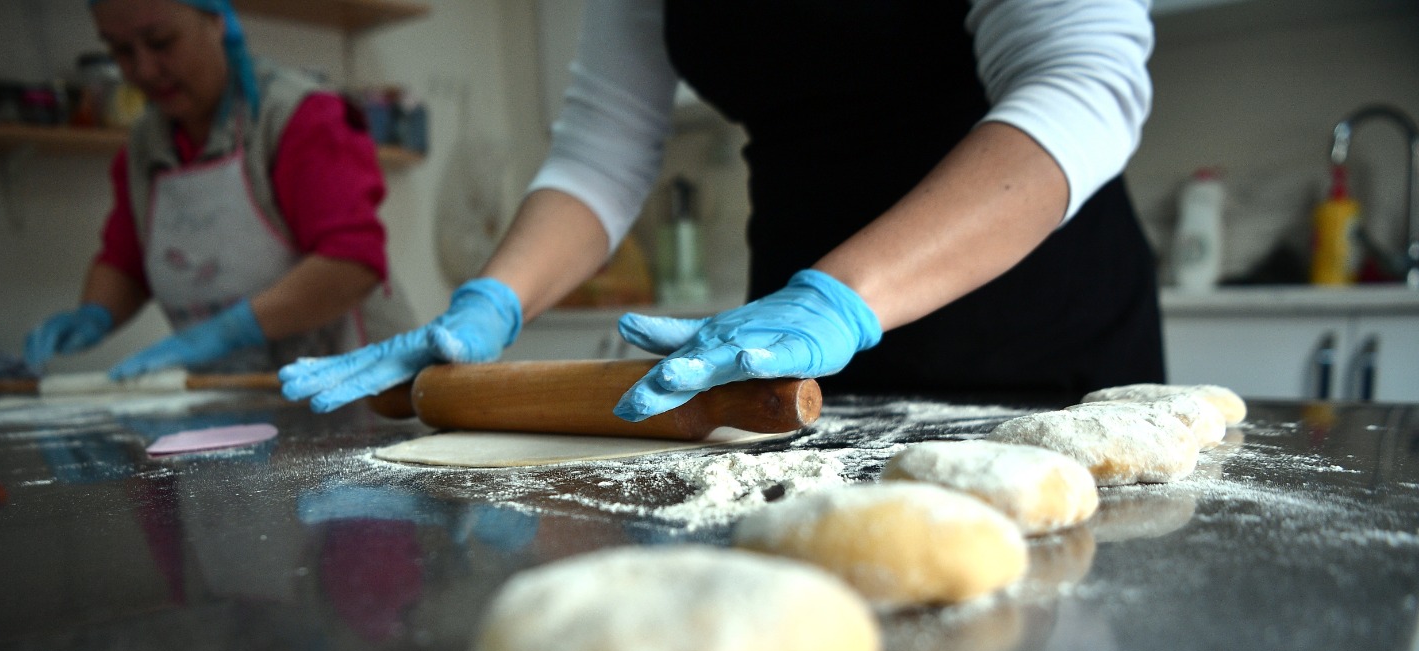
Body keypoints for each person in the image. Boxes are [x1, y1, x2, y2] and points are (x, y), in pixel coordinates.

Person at [281, 0, 1162, 418]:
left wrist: (840, 297)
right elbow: (601, 150)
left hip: (1038, 327)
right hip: (792, 353)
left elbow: (1079, 82)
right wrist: (493, 300)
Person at [25, 0, 390, 380]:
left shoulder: (298, 117)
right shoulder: (144, 145)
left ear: (216, 21)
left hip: (355, 387)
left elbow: (353, 264)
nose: (143, 70)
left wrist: (232, 329)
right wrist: (94, 314)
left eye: (161, 41)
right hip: (240, 397)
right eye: (121, 50)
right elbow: (127, 262)